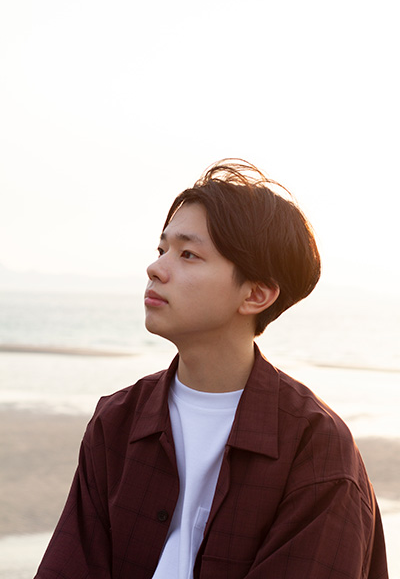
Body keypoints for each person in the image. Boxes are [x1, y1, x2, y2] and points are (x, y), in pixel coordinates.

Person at [34, 159, 388, 579]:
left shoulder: (315, 447)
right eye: (162, 250)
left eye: (188, 254)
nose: (155, 268)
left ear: (256, 295)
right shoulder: (117, 420)